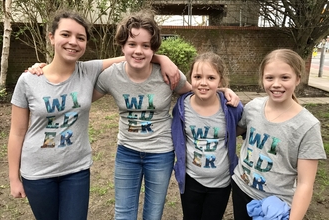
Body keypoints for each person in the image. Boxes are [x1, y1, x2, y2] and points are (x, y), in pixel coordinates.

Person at [7, 9, 182, 220]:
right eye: (65, 34)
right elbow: (17, 132)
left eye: (80, 37)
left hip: (77, 170)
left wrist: (161, 58)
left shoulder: (87, 71)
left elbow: (133, 56)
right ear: (51, 37)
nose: (73, 42)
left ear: (85, 44)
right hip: (38, 172)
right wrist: (13, 178)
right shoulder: (29, 80)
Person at [92, 10, 239, 220]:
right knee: (123, 213)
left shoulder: (168, 75)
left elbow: (196, 90)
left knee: (153, 214)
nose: (138, 51)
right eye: (132, 44)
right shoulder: (110, 76)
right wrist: (50, 70)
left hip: (160, 154)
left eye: (146, 45)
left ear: (153, 48)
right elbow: (80, 96)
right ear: (122, 45)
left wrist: (223, 91)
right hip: (127, 152)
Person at [232, 48, 327, 220]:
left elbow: (305, 184)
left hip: (276, 205)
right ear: (262, 79)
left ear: (298, 79)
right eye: (269, 77)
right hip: (241, 188)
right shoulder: (253, 107)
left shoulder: (307, 126)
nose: (276, 84)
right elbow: (230, 132)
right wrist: (223, 91)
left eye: (284, 77)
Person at [171, 52, 243, 219]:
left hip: (221, 182)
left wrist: (227, 91)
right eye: (197, 76)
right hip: (191, 180)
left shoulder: (232, 107)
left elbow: (242, 128)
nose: (203, 83)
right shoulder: (182, 106)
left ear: (220, 81)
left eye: (211, 78)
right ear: (191, 78)